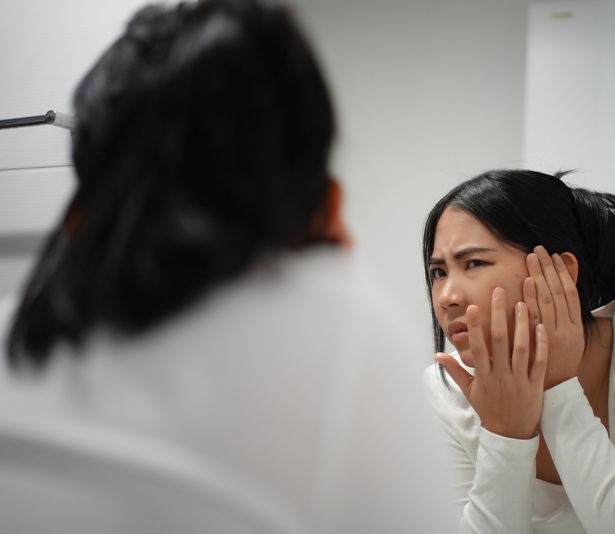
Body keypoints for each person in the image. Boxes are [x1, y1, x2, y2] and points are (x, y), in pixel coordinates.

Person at [0, 1, 455, 533]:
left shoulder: (19, 325)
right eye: (440, 269)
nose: (448, 295)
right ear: (321, 200)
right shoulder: (351, 347)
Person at [422, 169, 615, 533]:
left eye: (474, 263)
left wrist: (559, 389)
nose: (448, 298)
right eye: (439, 272)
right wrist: (505, 435)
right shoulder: (448, 388)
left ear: (561, 271)